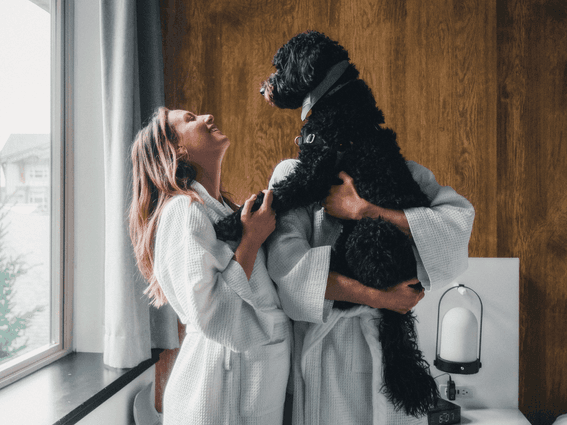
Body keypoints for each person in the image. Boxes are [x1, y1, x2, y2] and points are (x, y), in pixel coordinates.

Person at [267, 159, 475, 425]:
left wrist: (365, 210)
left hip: (392, 344)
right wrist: (382, 298)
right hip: (326, 351)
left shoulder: (400, 169)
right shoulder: (297, 172)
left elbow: (455, 227)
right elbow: (289, 269)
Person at [129, 107, 292, 425]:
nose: (206, 117)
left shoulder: (224, 209)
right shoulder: (183, 210)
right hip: (215, 388)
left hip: (253, 375)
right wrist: (252, 240)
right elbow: (210, 310)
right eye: (190, 119)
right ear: (175, 148)